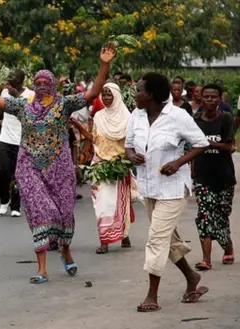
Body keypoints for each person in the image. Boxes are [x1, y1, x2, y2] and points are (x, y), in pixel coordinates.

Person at [0, 45, 116, 284]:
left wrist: (104, 64)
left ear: (54, 85)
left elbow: (92, 93)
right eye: (38, 82)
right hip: (30, 168)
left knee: (64, 213)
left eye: (47, 82)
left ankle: (65, 249)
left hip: (60, 169)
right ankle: (42, 269)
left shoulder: (64, 104)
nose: (42, 86)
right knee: (39, 212)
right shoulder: (23, 106)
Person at [124, 73, 210, 312]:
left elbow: (201, 143)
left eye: (139, 90)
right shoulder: (136, 115)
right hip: (149, 187)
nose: (135, 94)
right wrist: (132, 155)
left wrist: (179, 163)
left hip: (172, 189)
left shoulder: (177, 116)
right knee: (167, 239)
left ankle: (152, 296)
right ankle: (192, 278)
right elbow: (128, 145)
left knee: (156, 239)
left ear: (150, 94)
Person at [70, 83, 134, 254]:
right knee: (102, 204)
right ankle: (104, 240)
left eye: (109, 95)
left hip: (119, 166)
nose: (105, 98)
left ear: (116, 96)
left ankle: (123, 234)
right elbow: (95, 140)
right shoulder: (98, 117)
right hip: (99, 164)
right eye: (103, 95)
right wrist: (78, 127)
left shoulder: (127, 118)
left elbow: (131, 143)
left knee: (119, 204)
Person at [191, 84, 236, 270]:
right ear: (201, 98)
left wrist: (208, 144)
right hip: (203, 176)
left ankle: (228, 246)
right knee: (204, 216)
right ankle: (206, 259)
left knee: (221, 217)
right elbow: (191, 147)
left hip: (224, 176)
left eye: (213, 97)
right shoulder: (195, 120)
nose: (209, 100)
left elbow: (230, 146)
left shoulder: (225, 119)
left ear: (220, 99)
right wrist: (192, 170)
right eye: (206, 97)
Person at [0, 69, 34, 217]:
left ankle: (15, 206)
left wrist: (15, 97)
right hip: (5, 138)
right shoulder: (4, 92)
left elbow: (30, 114)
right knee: (2, 171)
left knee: (18, 175)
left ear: (20, 79)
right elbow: (0, 112)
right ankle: (4, 200)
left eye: (12, 76)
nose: (8, 78)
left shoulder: (30, 95)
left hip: (21, 140)